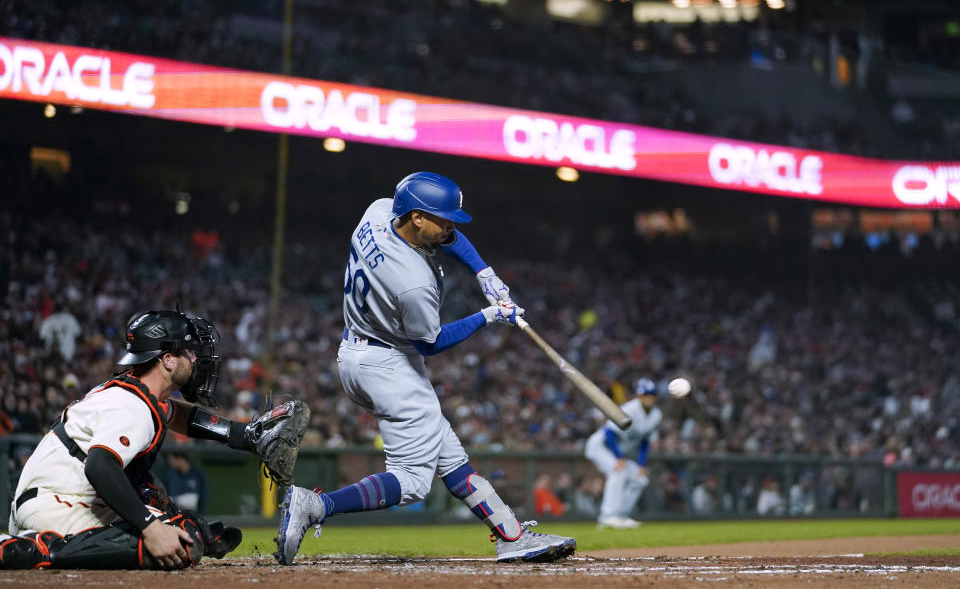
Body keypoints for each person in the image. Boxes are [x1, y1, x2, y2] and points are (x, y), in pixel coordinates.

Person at [276, 171, 576, 564]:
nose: (451, 226)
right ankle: (316, 506)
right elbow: (430, 343)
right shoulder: (412, 282)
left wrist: (483, 271)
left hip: (357, 349)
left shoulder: (380, 212)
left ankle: (511, 534)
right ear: (417, 217)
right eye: (443, 218)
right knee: (413, 481)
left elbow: (448, 239)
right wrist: (488, 316)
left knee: (449, 456)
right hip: (388, 364)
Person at [2, 309, 302, 570]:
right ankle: (39, 551)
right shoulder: (132, 407)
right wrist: (150, 527)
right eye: (188, 351)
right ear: (168, 360)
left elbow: (180, 416)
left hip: (57, 496)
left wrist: (243, 434)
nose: (195, 357)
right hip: (56, 505)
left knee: (174, 517)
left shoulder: (137, 394)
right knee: (179, 542)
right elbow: (99, 465)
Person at [584, 378, 663, 529]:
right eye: (645, 395)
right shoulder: (630, 409)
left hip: (616, 451)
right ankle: (607, 516)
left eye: (651, 395)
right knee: (618, 471)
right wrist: (619, 458)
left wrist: (641, 464)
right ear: (639, 396)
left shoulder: (656, 415)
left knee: (640, 480)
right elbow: (609, 432)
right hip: (600, 446)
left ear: (656, 397)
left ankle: (620, 515)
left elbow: (645, 442)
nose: (648, 398)